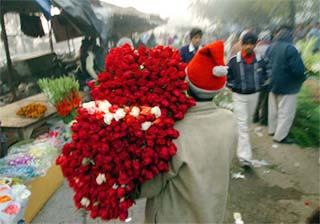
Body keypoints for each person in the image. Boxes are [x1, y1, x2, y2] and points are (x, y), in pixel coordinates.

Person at [140, 41, 237, 223]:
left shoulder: (176, 131)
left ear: (186, 83)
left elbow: (151, 185)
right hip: (211, 213)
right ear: (218, 90)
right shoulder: (230, 121)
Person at [227, 32, 267, 166]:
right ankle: (245, 157)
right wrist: (235, 86)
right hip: (239, 96)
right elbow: (227, 78)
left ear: (255, 45)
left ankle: (239, 143)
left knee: (247, 122)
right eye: (246, 44)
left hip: (254, 95)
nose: (249, 46)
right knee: (243, 125)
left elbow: (267, 74)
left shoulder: (260, 60)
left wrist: (261, 83)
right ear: (241, 44)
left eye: (252, 44)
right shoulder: (234, 61)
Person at [266, 25, 306, 144]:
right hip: (288, 86)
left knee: (273, 110)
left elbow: (266, 64)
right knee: (286, 112)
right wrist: (303, 77)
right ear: (290, 35)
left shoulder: (271, 47)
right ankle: (280, 137)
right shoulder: (291, 49)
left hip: (273, 82)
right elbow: (298, 70)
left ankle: (272, 130)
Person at [253, 30, 272, 125]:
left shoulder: (255, 49)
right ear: (268, 39)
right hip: (265, 77)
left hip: (255, 77)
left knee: (257, 98)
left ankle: (254, 117)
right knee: (265, 100)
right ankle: (263, 120)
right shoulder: (269, 48)